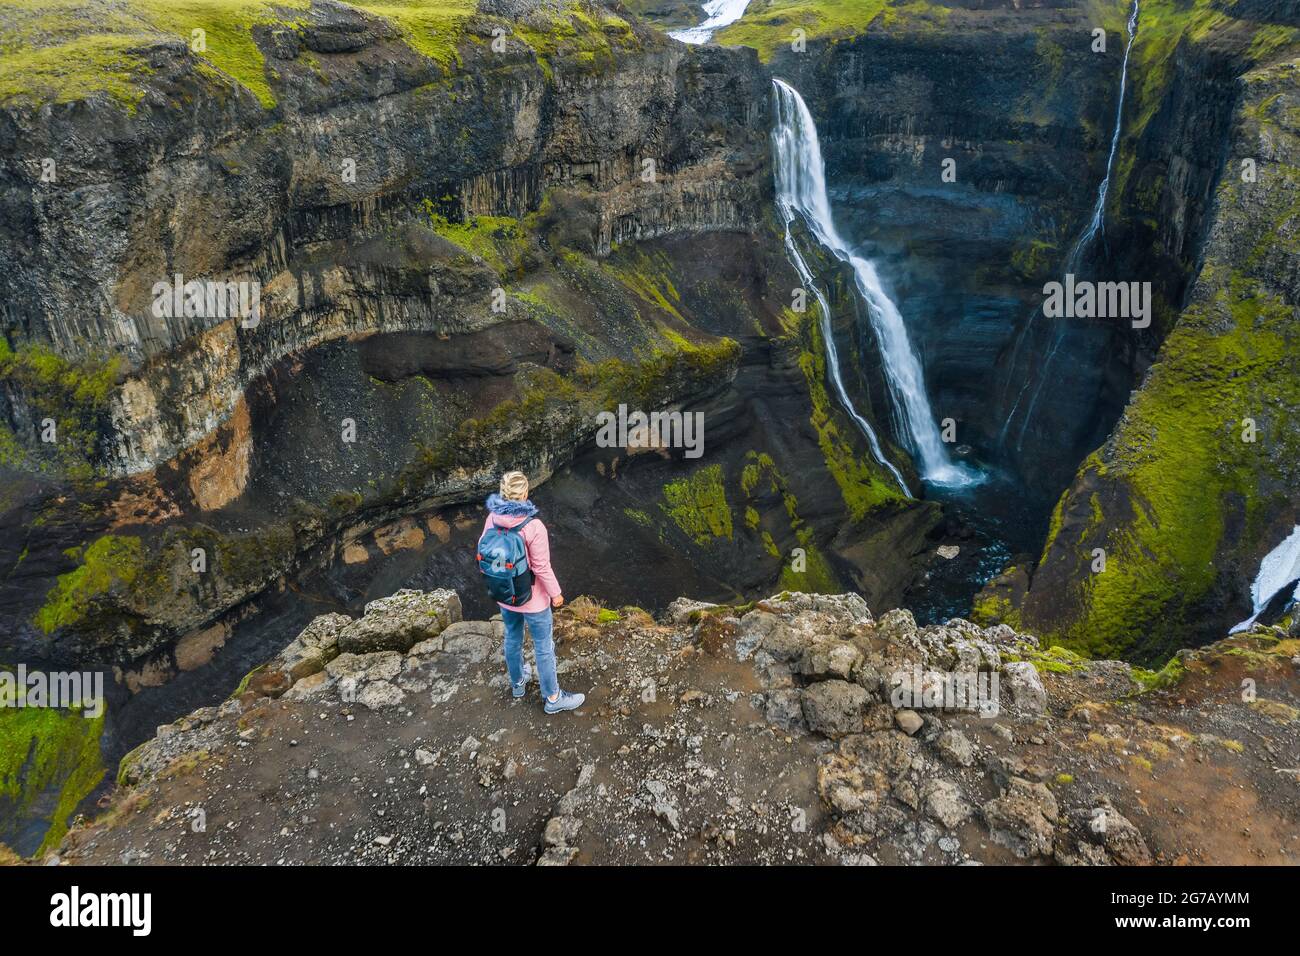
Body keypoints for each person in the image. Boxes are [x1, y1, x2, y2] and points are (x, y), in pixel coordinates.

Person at [482, 471, 585, 714]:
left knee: (512, 637)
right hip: (533, 599)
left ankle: (517, 683)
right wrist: (556, 593)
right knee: (543, 646)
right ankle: (553, 697)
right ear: (526, 494)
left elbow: (485, 552)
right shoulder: (533, 526)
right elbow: (540, 566)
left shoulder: (492, 518)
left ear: (502, 494)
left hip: (505, 595)